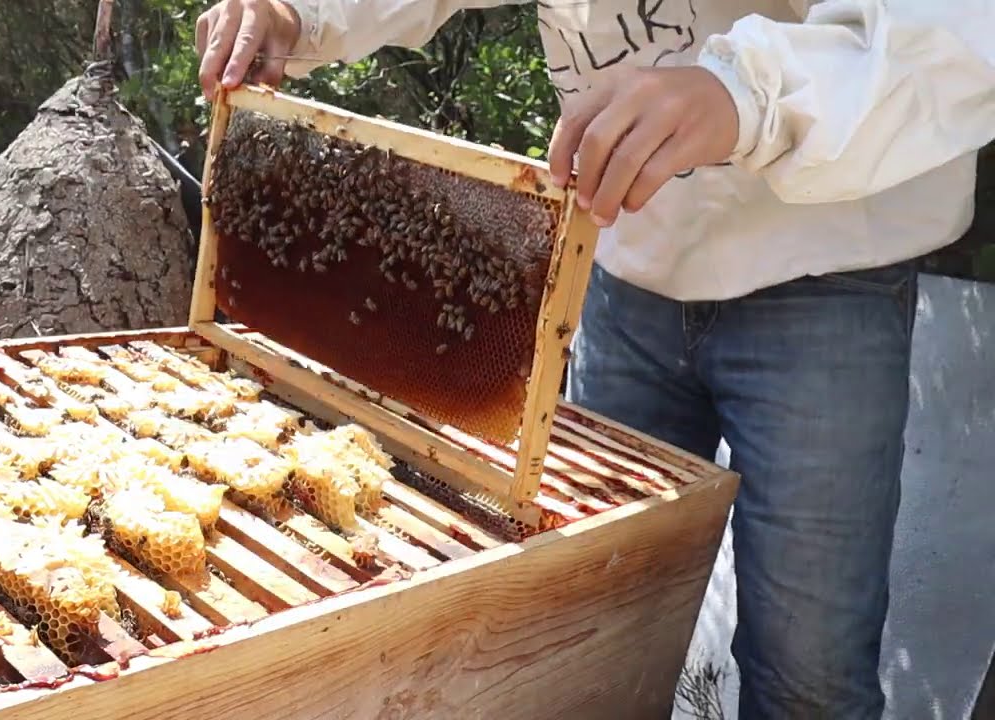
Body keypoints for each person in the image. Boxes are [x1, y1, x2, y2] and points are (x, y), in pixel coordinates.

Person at [194, 2, 995, 717]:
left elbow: (960, 29)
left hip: (824, 277)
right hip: (620, 268)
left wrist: (750, 93)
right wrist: (295, 10)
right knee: (590, 627)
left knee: (808, 673)